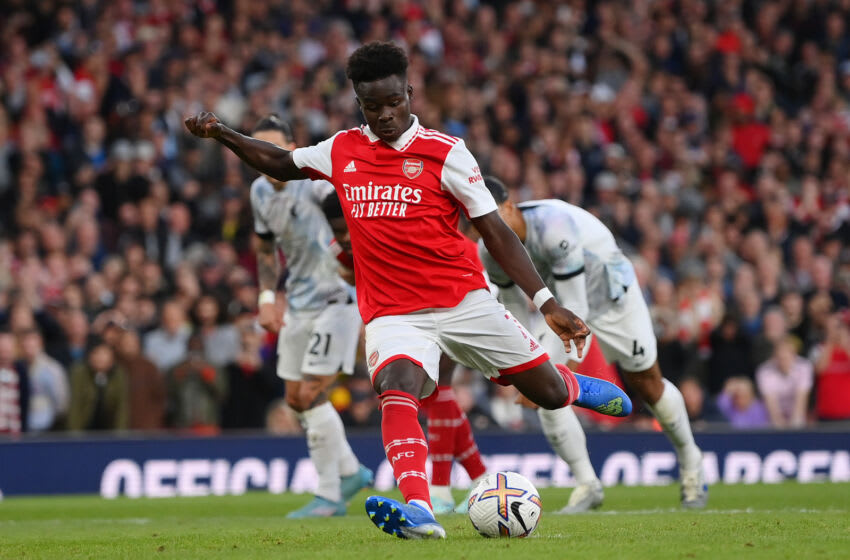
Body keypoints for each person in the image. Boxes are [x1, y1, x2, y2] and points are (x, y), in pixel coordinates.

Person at [184, 41, 630, 540]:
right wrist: (221, 132)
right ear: (359, 104)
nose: (385, 115)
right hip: (394, 313)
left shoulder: (447, 153)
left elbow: (496, 232)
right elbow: (281, 163)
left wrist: (546, 303)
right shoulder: (342, 149)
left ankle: (575, 388)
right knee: (397, 389)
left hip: (463, 300)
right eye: (373, 107)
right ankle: (419, 508)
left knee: (546, 393)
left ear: (409, 93)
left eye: (394, 102)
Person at [479, 175, 707, 511]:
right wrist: (525, 369)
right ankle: (588, 485)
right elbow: (515, 314)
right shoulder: (490, 250)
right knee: (546, 392)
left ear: (510, 207)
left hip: (613, 297)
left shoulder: (553, 226)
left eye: (493, 215)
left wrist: (553, 370)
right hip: (560, 309)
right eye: (479, 220)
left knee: (646, 383)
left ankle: (692, 463)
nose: (488, 227)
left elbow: (578, 309)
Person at [321, 191, 487, 515]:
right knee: (434, 395)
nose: (343, 238)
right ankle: (480, 479)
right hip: (406, 313)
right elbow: (358, 282)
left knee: (439, 391)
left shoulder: (397, 231)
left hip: (458, 291)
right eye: (336, 231)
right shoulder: (339, 254)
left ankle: (441, 489)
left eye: (347, 228)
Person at [248, 114, 373, 518]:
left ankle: (329, 493)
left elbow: (352, 238)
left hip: (336, 299)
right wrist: (267, 296)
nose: (265, 158)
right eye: (258, 150)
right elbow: (266, 250)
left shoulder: (319, 185)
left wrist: (352, 265)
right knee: (293, 399)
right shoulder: (259, 194)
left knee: (308, 393)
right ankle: (352, 472)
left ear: (291, 147)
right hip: (298, 302)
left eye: (274, 149)